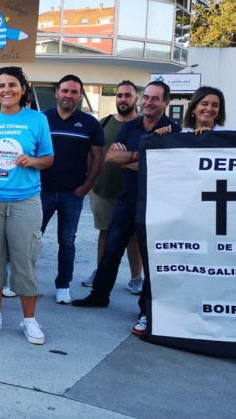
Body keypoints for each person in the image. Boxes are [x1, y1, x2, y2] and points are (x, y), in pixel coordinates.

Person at [72, 82, 181, 339]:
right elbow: (111, 158)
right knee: (111, 250)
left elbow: (166, 168)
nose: (149, 102)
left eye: (156, 99)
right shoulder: (130, 126)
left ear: (166, 102)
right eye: (147, 98)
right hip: (127, 199)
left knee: (150, 257)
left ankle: (146, 309)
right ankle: (99, 296)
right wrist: (144, 156)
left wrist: (129, 158)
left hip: (156, 204)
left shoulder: (172, 130)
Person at [0, 67, 54, 344]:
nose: (7, 89)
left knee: (24, 259)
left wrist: (32, 161)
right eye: (2, 85)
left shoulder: (37, 119)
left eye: (13, 85)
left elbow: (48, 158)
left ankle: (29, 320)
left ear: (23, 89)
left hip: (25, 200)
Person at [40, 75, 105, 305]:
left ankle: (63, 285)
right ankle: (24, 282)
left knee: (67, 241)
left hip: (72, 194)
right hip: (42, 192)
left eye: (74, 92)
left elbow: (99, 157)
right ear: (57, 92)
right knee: (31, 239)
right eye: (65, 91)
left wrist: (86, 187)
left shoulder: (90, 123)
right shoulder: (42, 119)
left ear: (80, 95)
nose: (69, 95)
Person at [84, 81, 144, 294]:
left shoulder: (143, 125)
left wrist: (122, 159)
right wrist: (89, 182)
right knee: (105, 233)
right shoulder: (104, 123)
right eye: (119, 96)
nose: (123, 100)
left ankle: (136, 278)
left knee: (133, 237)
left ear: (136, 99)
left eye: (128, 95)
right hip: (103, 190)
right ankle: (101, 273)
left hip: (132, 192)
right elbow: (93, 154)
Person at [158, 86, 227, 136]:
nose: (209, 108)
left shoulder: (227, 135)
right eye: (204, 104)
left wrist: (212, 136)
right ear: (193, 108)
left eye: (215, 105)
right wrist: (162, 137)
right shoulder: (182, 136)